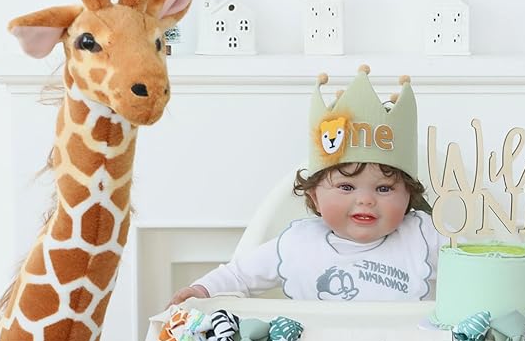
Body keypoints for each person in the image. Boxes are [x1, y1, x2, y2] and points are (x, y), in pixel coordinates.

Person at [167, 65, 446, 305]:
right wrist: (201, 291)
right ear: (314, 196)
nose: (366, 200)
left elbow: (469, 266)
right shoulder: (298, 244)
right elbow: (238, 275)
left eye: (384, 188)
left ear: (408, 195)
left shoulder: (424, 236)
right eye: (346, 187)